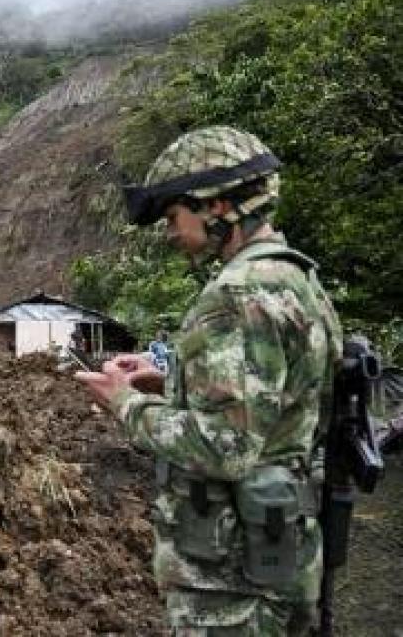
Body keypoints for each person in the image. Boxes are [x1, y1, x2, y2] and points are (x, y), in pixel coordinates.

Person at [74, 126, 341, 635]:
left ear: (217, 208)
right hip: (279, 554)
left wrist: (126, 403)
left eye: (174, 216)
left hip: (232, 585)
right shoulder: (293, 278)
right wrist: (172, 376)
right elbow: (280, 395)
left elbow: (226, 447)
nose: (171, 233)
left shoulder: (235, 296)